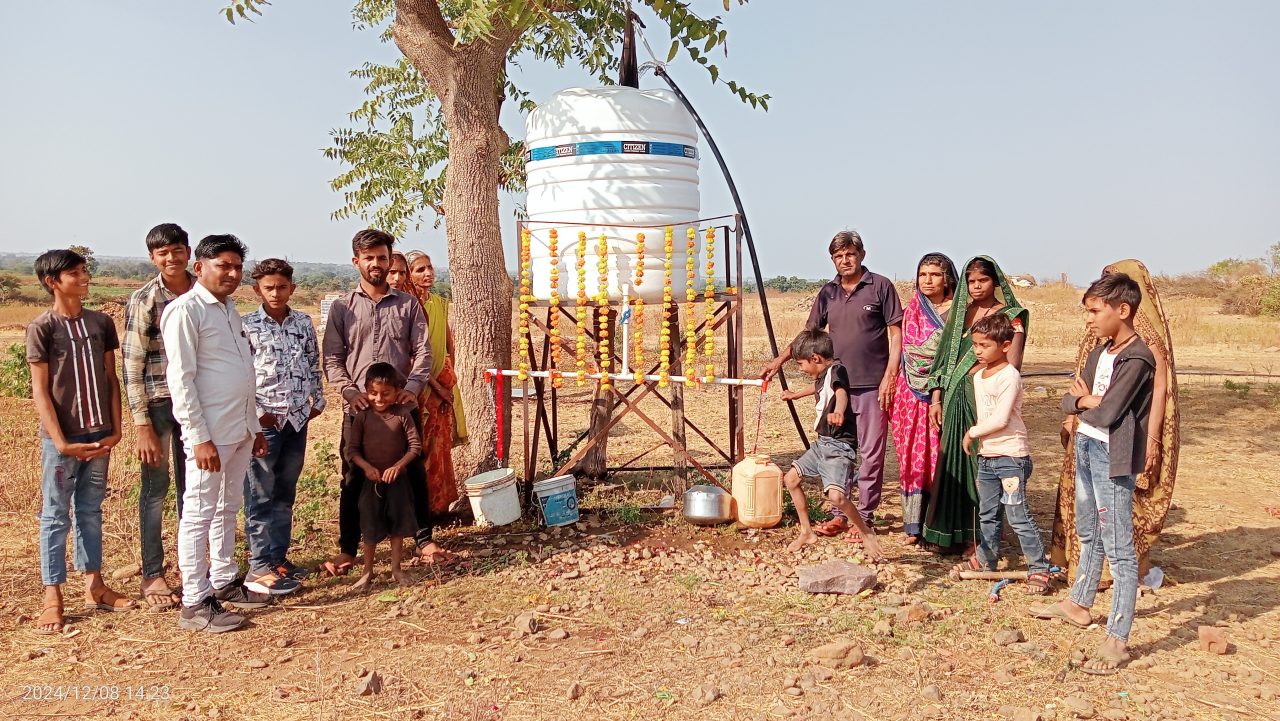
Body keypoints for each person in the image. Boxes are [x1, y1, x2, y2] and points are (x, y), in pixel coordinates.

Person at [1031, 272, 1156, 675]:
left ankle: (1117, 638)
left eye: (1095, 311)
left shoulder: (1137, 359)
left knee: (1119, 548)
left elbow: (1109, 411)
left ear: (1123, 310)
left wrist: (1086, 402)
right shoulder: (1101, 352)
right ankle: (1078, 603)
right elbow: (1072, 400)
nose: (1089, 319)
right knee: (1089, 532)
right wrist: (1085, 400)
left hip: (1111, 455)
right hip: (1086, 445)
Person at [761, 231, 902, 541]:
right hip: (836, 386)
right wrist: (780, 360)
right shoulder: (828, 292)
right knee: (838, 452)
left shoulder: (880, 286)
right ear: (833, 260)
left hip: (872, 385)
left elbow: (896, 333)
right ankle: (841, 515)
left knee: (871, 454)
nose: (845, 260)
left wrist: (891, 375)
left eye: (850, 254)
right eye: (839, 256)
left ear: (861, 254)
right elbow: (808, 335)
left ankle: (865, 518)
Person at [161, 235, 271, 632]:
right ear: (199, 267)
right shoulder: (185, 311)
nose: (232, 273)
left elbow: (242, 370)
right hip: (209, 432)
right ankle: (194, 601)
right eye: (223, 265)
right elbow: (181, 379)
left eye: (237, 267)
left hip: (238, 428)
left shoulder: (229, 310)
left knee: (228, 506)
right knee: (198, 512)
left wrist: (254, 425)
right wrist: (198, 437)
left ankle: (224, 579)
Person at [28, 249, 137, 633]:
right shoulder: (42, 327)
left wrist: (116, 429)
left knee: (90, 510)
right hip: (63, 441)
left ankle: (96, 586)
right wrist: (60, 442)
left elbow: (110, 378)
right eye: (75, 273)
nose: (84, 277)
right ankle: (52, 596)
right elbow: (40, 391)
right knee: (55, 514)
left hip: (99, 436)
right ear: (52, 282)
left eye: (84, 270)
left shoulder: (101, 323)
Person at [1050, 260, 1178, 584]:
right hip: (1087, 434)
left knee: (1117, 518)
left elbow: (1137, 398)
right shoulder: (1102, 344)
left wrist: (1152, 440)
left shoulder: (1142, 348)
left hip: (1117, 440)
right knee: (1087, 515)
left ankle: (1120, 588)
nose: (1090, 316)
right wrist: (1075, 408)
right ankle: (1084, 583)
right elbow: (1077, 389)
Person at [321, 229, 438, 577]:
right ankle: (348, 548)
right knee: (352, 478)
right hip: (358, 411)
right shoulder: (342, 307)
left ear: (389, 261)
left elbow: (423, 351)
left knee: (414, 474)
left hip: (402, 410)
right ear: (356, 261)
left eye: (382, 258)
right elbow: (332, 358)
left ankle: (424, 540)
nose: (376, 263)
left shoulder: (408, 305)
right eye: (369, 257)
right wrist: (349, 392)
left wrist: (413, 387)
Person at [921, 257, 1028, 551]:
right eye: (971, 281)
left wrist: (975, 376)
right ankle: (949, 533)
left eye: (983, 280)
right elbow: (944, 359)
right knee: (952, 461)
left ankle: (980, 538)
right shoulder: (961, 314)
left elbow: (1011, 364)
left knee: (978, 465)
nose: (976, 286)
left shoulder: (1010, 317)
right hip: (953, 397)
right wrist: (936, 398)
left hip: (984, 398)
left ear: (996, 281)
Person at [240, 258, 325, 595]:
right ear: (257, 290)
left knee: (285, 492)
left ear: (292, 288)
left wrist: (317, 401)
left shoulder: (302, 322)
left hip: (296, 420)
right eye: (269, 288)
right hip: (265, 423)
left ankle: (278, 558)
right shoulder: (247, 326)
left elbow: (312, 363)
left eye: (281, 287)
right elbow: (242, 375)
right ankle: (259, 564)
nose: (275, 293)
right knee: (259, 493)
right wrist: (256, 414)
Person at [121, 222, 193, 611]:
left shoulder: (201, 292)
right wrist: (141, 425)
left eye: (177, 250)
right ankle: (152, 572)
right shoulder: (145, 299)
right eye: (163, 253)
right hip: (160, 405)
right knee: (155, 490)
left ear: (188, 252)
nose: (171, 258)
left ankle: (189, 565)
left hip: (195, 405)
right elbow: (131, 367)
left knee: (193, 490)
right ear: (153, 258)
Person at [957, 314, 1052, 595]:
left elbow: (1000, 419)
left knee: (1017, 515)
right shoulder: (979, 376)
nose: (978, 351)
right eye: (975, 345)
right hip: (987, 457)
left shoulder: (1009, 376)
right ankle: (986, 560)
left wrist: (972, 433)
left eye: (985, 345)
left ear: (1006, 345)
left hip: (1011, 457)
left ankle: (1038, 567)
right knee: (987, 514)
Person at [778, 330, 885, 561]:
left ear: (815, 358)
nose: (801, 369)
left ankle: (865, 532)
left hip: (838, 446)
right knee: (791, 479)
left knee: (836, 497)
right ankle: (806, 532)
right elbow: (819, 389)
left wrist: (838, 411)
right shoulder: (822, 375)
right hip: (822, 443)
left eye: (801, 364)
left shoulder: (837, 370)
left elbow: (841, 392)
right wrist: (796, 395)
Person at [890, 253, 957, 544]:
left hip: (944, 391)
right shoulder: (911, 312)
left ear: (947, 279)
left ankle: (941, 525)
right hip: (909, 392)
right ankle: (914, 525)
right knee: (911, 456)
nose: (928, 280)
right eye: (923, 274)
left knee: (941, 456)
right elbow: (901, 349)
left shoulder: (959, 312)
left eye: (935, 274)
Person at [347, 363, 422, 590]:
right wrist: (366, 468)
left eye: (386, 393)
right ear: (366, 391)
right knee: (369, 525)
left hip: (398, 481)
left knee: (398, 524)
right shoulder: (362, 417)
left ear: (397, 391)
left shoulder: (402, 415)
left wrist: (398, 467)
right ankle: (367, 571)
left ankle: (396, 568)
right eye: (373, 393)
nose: (379, 399)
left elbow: (415, 447)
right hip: (371, 482)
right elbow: (352, 451)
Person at [405, 250, 468, 520]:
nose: (428, 273)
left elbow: (448, 346)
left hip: (443, 383)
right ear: (408, 275)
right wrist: (434, 385)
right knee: (421, 448)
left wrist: (447, 382)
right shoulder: (408, 307)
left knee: (441, 448)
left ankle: (440, 507)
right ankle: (422, 511)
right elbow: (412, 353)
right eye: (420, 269)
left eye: (429, 267)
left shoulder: (439, 304)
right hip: (420, 387)